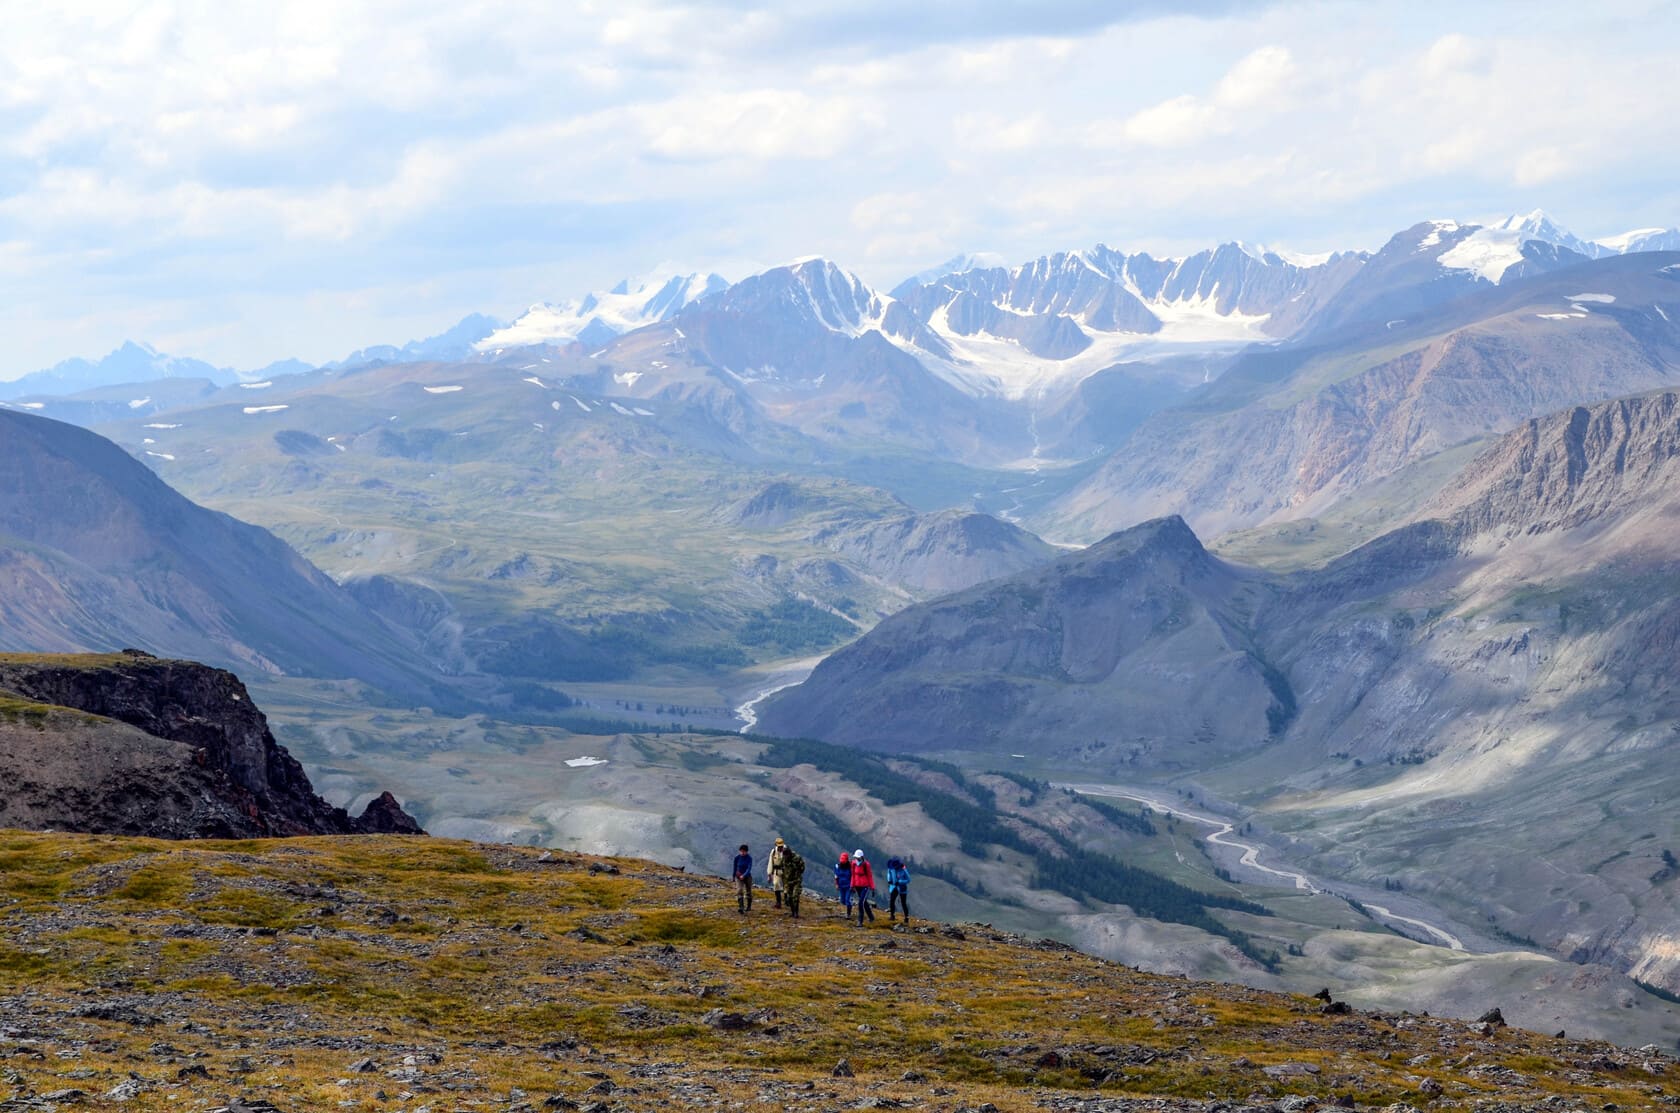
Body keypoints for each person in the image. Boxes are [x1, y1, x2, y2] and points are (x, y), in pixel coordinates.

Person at [849, 848, 876, 925]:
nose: (857, 858)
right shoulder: (853, 864)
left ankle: (860, 920)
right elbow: (853, 875)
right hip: (857, 886)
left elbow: (869, 876)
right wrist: (852, 885)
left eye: (858, 857)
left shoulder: (866, 864)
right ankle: (871, 917)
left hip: (865, 886)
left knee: (861, 902)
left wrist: (872, 887)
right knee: (864, 903)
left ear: (861, 857)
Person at [780, 844, 806, 918]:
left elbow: (802, 867)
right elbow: (782, 868)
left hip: (796, 880)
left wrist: (797, 874)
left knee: (795, 896)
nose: (785, 857)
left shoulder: (797, 858)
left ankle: (796, 913)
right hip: (788, 881)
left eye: (786, 855)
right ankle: (792, 912)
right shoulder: (783, 859)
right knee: (789, 897)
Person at [885, 856, 911, 923]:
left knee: (903, 903)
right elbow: (889, 873)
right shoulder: (891, 868)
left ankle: (906, 917)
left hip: (902, 887)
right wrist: (889, 880)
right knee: (892, 900)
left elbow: (908, 880)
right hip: (894, 886)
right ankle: (892, 916)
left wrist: (900, 882)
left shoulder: (903, 869)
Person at [767, 837, 788, 908]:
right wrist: (769, 874)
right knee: (776, 884)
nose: (780, 847)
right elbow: (770, 862)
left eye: (781, 846)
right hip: (777, 871)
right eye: (779, 846)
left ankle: (786, 899)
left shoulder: (786, 850)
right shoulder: (773, 852)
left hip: (785, 870)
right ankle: (778, 902)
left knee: (786, 885)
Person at [732, 844, 753, 914]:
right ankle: (741, 907)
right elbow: (735, 867)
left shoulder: (749, 858)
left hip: (747, 876)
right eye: (741, 851)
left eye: (744, 851)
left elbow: (749, 868)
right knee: (739, 890)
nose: (742, 853)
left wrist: (744, 875)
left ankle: (749, 906)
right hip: (738, 876)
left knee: (748, 891)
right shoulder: (737, 858)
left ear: (747, 851)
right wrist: (733, 876)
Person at [833, 851, 853, 916]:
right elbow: (836, 876)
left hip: (848, 886)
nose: (842, 862)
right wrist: (836, 884)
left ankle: (848, 914)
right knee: (842, 901)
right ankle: (849, 907)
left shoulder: (851, 867)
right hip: (841, 886)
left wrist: (853, 886)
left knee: (847, 900)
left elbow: (853, 876)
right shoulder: (837, 867)